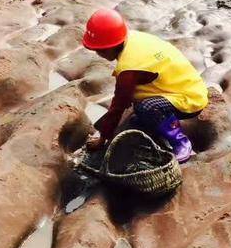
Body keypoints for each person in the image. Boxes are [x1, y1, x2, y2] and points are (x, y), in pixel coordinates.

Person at [83, 9, 208, 163]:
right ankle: (153, 122)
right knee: (138, 102)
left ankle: (180, 142)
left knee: (146, 107)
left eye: (99, 50)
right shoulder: (133, 38)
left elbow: (118, 105)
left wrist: (103, 138)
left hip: (189, 98)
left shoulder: (129, 68)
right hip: (187, 84)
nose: (97, 54)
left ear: (110, 46)